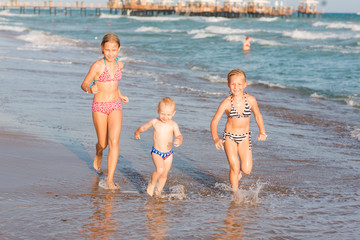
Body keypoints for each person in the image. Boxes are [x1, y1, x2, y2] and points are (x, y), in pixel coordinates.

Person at [81, 33, 129, 190]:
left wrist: (120, 95)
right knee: (103, 143)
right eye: (107, 49)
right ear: (102, 48)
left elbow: (113, 84)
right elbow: (84, 84)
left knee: (113, 142)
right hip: (100, 107)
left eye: (114, 50)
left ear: (119, 49)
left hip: (115, 105)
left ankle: (110, 179)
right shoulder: (97, 66)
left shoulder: (119, 65)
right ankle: (98, 151)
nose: (111, 53)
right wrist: (90, 89)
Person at [210, 69, 266, 192]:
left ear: (245, 84)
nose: (236, 87)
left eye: (239, 84)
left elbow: (258, 115)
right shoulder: (226, 103)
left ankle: (236, 176)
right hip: (229, 137)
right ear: (228, 85)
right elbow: (214, 122)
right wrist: (215, 138)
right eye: (233, 84)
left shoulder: (251, 100)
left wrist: (262, 131)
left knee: (246, 170)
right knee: (234, 167)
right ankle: (235, 195)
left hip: (245, 137)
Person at [134, 97, 183, 197]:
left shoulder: (173, 125)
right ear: (158, 111)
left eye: (168, 115)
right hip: (157, 152)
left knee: (164, 174)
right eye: (163, 114)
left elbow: (179, 135)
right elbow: (144, 127)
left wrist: (178, 140)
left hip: (168, 154)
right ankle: (152, 184)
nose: (165, 117)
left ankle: (158, 191)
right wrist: (137, 132)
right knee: (160, 170)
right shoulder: (155, 122)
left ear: (173, 113)